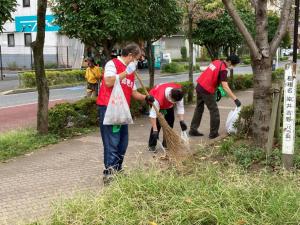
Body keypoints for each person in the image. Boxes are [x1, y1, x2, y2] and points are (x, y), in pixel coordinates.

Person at [97, 43, 154, 183]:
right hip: (109, 108)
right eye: (137, 58)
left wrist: (146, 98)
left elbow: (133, 93)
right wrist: (126, 72)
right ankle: (109, 172)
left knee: (123, 142)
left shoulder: (131, 72)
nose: (138, 62)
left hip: (122, 110)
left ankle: (118, 168)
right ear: (130, 56)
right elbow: (109, 82)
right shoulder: (112, 64)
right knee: (112, 141)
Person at [189, 55, 242, 139]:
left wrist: (216, 88)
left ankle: (193, 130)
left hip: (199, 86)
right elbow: (225, 86)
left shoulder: (217, 61)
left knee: (199, 109)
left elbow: (211, 74)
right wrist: (235, 99)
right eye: (234, 65)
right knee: (214, 111)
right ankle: (213, 133)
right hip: (206, 90)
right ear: (230, 62)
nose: (233, 67)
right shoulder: (223, 70)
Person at [148, 82, 187, 152]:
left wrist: (182, 121)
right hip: (155, 100)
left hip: (167, 105)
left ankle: (166, 143)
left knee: (170, 121)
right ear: (169, 95)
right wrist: (155, 130)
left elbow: (180, 107)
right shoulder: (158, 98)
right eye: (173, 101)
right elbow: (152, 115)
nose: (175, 102)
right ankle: (152, 145)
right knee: (157, 124)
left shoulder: (178, 93)